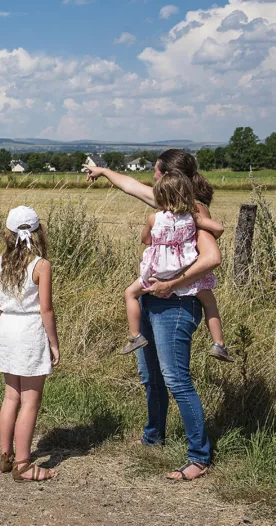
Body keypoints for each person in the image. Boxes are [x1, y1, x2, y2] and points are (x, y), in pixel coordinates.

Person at [84, 149, 221, 481]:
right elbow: (129, 185)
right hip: (153, 300)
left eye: (154, 171)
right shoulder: (166, 202)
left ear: (166, 176)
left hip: (176, 306)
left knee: (176, 380)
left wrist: (171, 282)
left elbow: (212, 257)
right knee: (152, 378)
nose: (150, 176)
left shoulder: (193, 210)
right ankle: (153, 437)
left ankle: (199, 457)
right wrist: (102, 171)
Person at [121, 170, 233, 363]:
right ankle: (218, 344)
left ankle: (135, 336)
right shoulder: (192, 217)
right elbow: (219, 228)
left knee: (130, 293)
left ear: (160, 196)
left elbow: (145, 239)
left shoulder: (153, 218)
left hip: (158, 273)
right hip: (185, 272)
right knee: (209, 303)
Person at [0, 206, 60, 483]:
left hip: (7, 328)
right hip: (30, 330)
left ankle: (6, 455)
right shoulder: (41, 265)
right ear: (37, 231)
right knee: (30, 401)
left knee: (11, 396)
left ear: (8, 232)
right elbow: (46, 310)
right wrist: (53, 343)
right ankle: (23, 464)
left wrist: (4, 331)